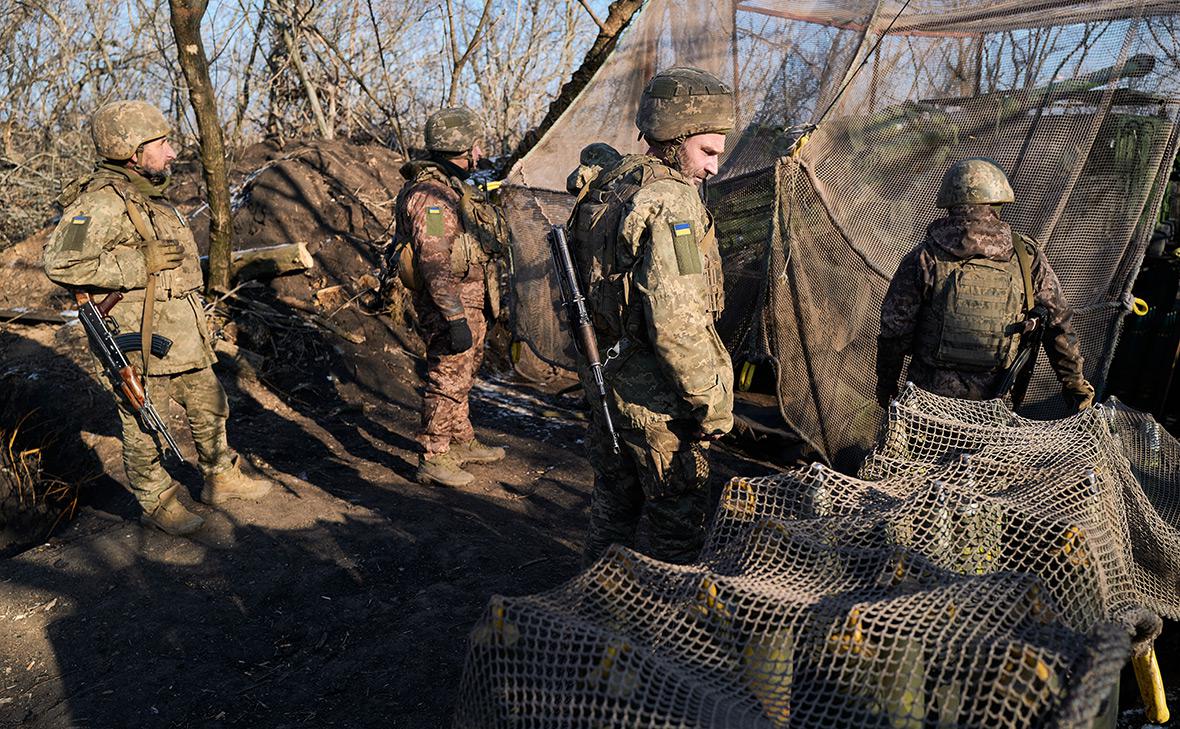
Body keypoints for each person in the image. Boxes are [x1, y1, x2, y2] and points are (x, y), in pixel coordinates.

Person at [43, 100, 272, 536]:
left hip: (181, 328)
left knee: (209, 403)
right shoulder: (99, 202)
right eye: (161, 143)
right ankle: (158, 501)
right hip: (139, 336)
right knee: (146, 422)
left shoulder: (149, 193)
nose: (170, 153)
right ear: (130, 150)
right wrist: (136, 263)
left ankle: (219, 477)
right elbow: (60, 262)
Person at [567, 67, 735, 566]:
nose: (714, 168)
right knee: (677, 534)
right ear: (676, 137)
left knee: (612, 512)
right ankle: (670, 632)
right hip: (659, 399)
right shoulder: (671, 202)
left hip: (607, 380)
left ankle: (591, 608)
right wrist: (711, 405)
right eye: (707, 151)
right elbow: (677, 323)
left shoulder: (614, 186)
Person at [875, 157, 1095, 411]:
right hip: (994, 404)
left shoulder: (924, 257)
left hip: (928, 404)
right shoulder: (1025, 256)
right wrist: (1075, 384)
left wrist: (887, 384)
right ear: (997, 202)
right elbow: (1058, 323)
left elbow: (895, 331)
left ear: (950, 202)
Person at [394, 106, 509, 487]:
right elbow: (434, 260)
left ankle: (460, 438)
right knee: (447, 377)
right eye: (475, 146)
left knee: (463, 373)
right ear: (461, 147)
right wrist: (454, 317)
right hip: (451, 303)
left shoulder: (452, 187)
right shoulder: (432, 198)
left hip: (470, 299)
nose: (479, 154)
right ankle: (435, 455)